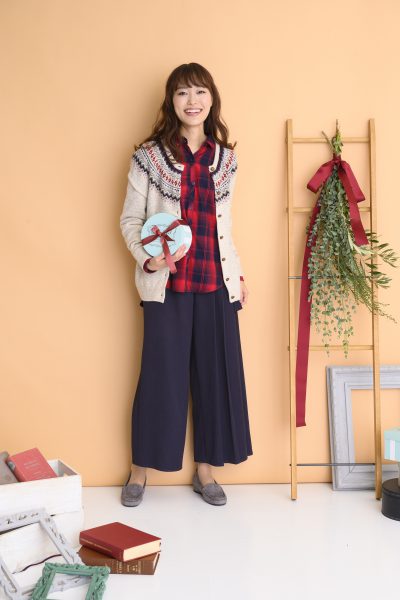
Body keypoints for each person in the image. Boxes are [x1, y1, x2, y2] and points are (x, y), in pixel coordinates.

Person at [119, 62, 253, 507]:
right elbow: (130, 220)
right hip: (167, 284)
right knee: (161, 376)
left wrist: (237, 273)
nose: (191, 101)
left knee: (216, 377)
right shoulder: (148, 157)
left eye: (199, 92)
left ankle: (205, 471)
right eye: (182, 93)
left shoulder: (226, 160)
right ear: (171, 101)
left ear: (212, 99)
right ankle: (139, 470)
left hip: (215, 282)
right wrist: (149, 259)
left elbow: (224, 227)